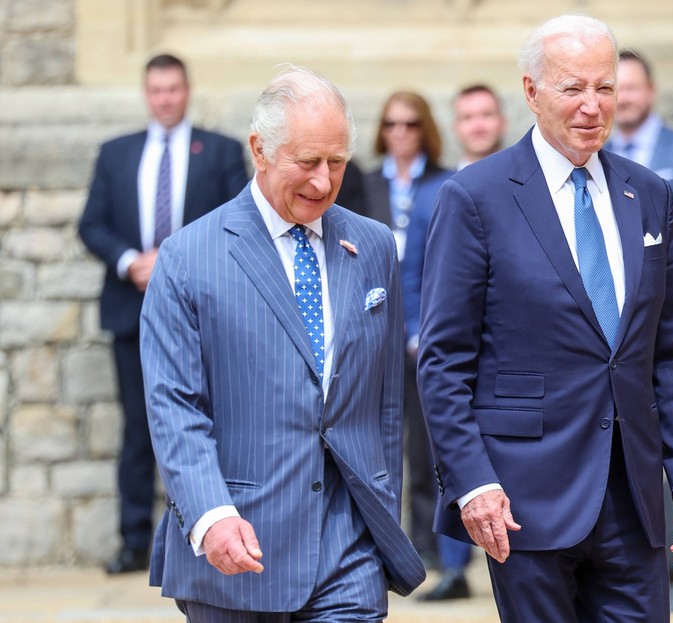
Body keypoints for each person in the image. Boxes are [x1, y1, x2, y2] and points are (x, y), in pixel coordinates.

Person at [417, 14, 673, 623]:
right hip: (522, 500)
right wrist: (472, 482)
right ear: (531, 91)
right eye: (572, 88)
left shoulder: (649, 193)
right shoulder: (475, 196)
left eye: (604, 88)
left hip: (635, 498)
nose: (591, 106)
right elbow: (443, 361)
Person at [140, 64, 426, 621]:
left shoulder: (371, 247)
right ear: (260, 149)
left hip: (350, 551)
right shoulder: (187, 258)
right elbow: (175, 408)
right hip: (239, 548)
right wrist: (210, 514)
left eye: (337, 162)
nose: (324, 182)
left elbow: (386, 400)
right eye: (308, 162)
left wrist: (382, 505)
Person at [78, 53, 248, 575]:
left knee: (211, 425)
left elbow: (236, 220)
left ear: (187, 90)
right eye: (157, 90)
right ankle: (133, 539)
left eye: (173, 89)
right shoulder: (116, 153)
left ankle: (213, 528)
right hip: (132, 307)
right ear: (146, 93)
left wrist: (176, 263)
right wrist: (133, 262)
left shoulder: (219, 151)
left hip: (204, 311)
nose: (166, 98)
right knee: (138, 429)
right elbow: (93, 224)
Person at [404, 83, 507, 602]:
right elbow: (414, 271)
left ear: (501, 120)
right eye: (469, 116)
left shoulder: (526, 184)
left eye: (487, 114)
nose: (479, 124)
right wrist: (417, 335)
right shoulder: (434, 192)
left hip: (509, 351)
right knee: (450, 453)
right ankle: (452, 566)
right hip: (451, 349)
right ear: (457, 125)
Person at [362, 91, 452, 568]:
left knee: (424, 444)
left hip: (422, 329)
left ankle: (426, 543)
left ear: (425, 129)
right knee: (370, 440)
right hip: (370, 329)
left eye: (410, 124)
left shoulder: (445, 183)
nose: (400, 133)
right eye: (392, 124)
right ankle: (377, 538)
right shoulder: (364, 182)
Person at [605, 49, 673, 218]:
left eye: (632, 88)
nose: (623, 99)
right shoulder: (596, 154)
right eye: (614, 90)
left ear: (651, 91)